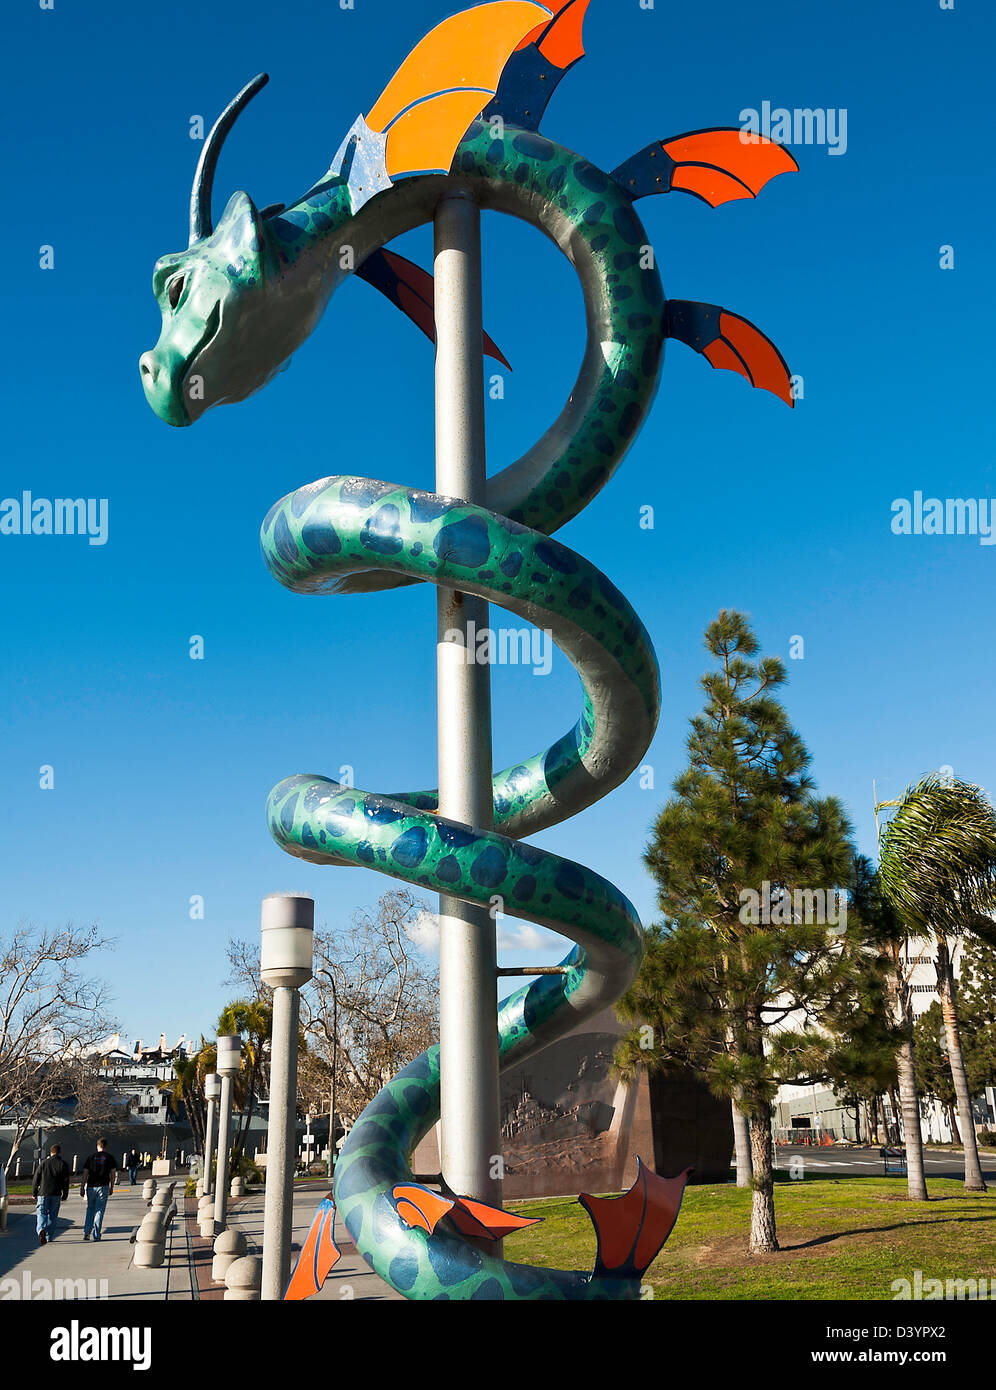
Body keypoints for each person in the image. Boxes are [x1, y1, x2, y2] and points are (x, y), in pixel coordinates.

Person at [80, 1138, 117, 1242]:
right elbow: (113, 1174)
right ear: (106, 1146)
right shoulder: (110, 1158)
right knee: (99, 1210)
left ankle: (87, 1233)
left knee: (90, 1209)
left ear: (97, 1146)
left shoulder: (91, 1157)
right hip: (103, 1186)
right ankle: (96, 1234)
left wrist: (82, 1187)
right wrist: (112, 1187)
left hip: (91, 1186)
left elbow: (85, 1173)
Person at [32, 1143, 70, 1246]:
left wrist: (34, 1192)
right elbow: (66, 1181)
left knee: (41, 1212)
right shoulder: (63, 1164)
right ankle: (49, 1236)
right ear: (59, 1152)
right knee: (53, 1216)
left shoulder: (44, 1163)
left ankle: (41, 1230)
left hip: (43, 1193)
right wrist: (65, 1194)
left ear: (51, 1152)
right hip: (56, 1193)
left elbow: (36, 1178)